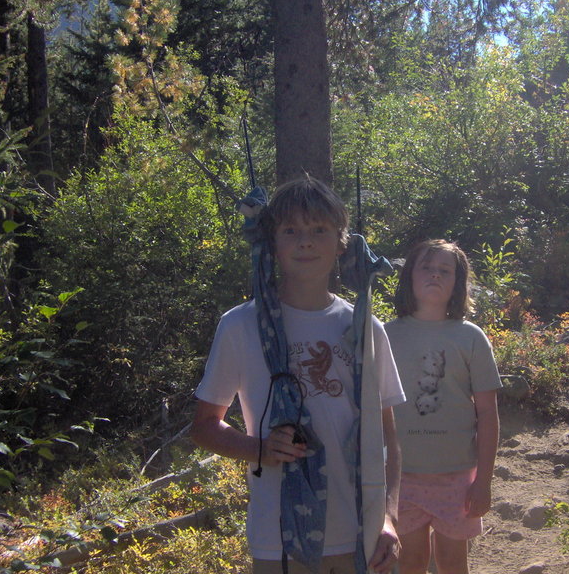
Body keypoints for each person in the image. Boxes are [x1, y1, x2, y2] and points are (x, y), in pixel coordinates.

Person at [191, 176, 405, 574]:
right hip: (279, 541)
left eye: (318, 230)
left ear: (341, 243)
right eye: (291, 230)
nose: (305, 242)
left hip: (363, 533)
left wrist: (389, 516)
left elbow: (387, 435)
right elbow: (205, 426)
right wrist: (260, 449)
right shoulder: (241, 326)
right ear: (272, 241)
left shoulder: (365, 328)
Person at [384, 239, 501, 574]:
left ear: (457, 283)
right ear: (409, 278)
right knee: (410, 561)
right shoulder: (385, 335)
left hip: (457, 478)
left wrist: (484, 481)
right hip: (400, 477)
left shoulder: (471, 338)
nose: (434, 275)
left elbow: (488, 415)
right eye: (426, 267)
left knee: (452, 563)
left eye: (445, 270)